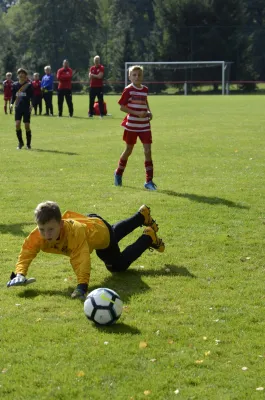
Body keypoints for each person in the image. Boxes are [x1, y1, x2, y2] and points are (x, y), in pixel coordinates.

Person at [6, 201, 165, 300]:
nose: (46, 234)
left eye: (50, 230)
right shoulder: (39, 234)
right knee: (112, 232)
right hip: (92, 225)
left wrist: (82, 286)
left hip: (99, 233)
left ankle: (148, 237)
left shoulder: (75, 233)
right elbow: (27, 251)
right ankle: (142, 216)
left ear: (61, 224)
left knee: (116, 266)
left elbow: (81, 258)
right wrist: (20, 273)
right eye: (42, 229)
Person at [114, 65, 157, 191]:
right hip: (132, 125)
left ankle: (149, 181)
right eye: (134, 75)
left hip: (144, 125)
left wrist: (149, 111)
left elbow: (145, 101)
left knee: (148, 151)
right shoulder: (128, 90)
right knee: (128, 150)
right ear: (129, 76)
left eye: (139, 75)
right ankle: (118, 173)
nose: (137, 77)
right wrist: (137, 113)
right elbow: (122, 107)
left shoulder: (145, 89)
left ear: (142, 76)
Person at [10, 68, 34, 150]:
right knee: (17, 125)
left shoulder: (29, 85)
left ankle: (28, 144)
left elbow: (32, 96)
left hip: (26, 108)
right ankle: (20, 143)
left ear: (25, 75)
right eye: (19, 73)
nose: (21, 75)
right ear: (18, 75)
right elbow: (13, 96)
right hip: (18, 108)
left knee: (27, 126)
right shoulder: (15, 85)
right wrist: (11, 103)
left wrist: (32, 104)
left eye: (22, 73)